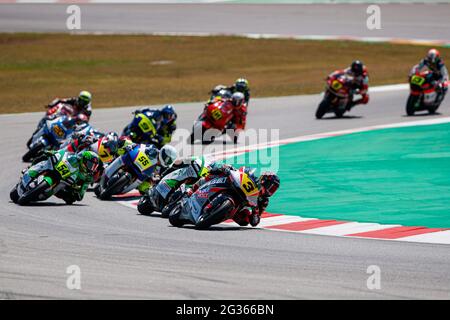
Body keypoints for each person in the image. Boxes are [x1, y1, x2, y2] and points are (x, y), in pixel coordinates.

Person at [186, 163, 280, 227]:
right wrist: (229, 169)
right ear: (263, 180)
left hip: (239, 204)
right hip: (236, 187)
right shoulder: (254, 180)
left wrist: (255, 215)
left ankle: (217, 214)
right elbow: (243, 172)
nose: (270, 191)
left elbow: (255, 220)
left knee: (245, 220)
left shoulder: (264, 201)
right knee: (217, 171)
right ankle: (193, 187)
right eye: (270, 187)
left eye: (273, 189)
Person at [24, 150, 100, 204]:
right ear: (84, 160)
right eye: (90, 165)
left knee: (71, 199)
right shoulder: (73, 157)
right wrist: (52, 153)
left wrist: (76, 191)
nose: (91, 168)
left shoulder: (87, 177)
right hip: (59, 171)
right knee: (44, 156)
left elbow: (81, 195)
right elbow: (62, 153)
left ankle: (47, 191)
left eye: (94, 167)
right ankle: (30, 169)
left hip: (65, 185)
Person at [99, 143, 178, 195]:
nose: (167, 161)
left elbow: (159, 176)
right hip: (133, 161)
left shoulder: (163, 168)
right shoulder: (153, 149)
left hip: (142, 175)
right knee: (122, 146)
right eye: (167, 159)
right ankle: (108, 165)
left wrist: (156, 178)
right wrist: (132, 146)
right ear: (163, 153)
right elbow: (141, 146)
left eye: (169, 160)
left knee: (146, 189)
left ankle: (123, 189)